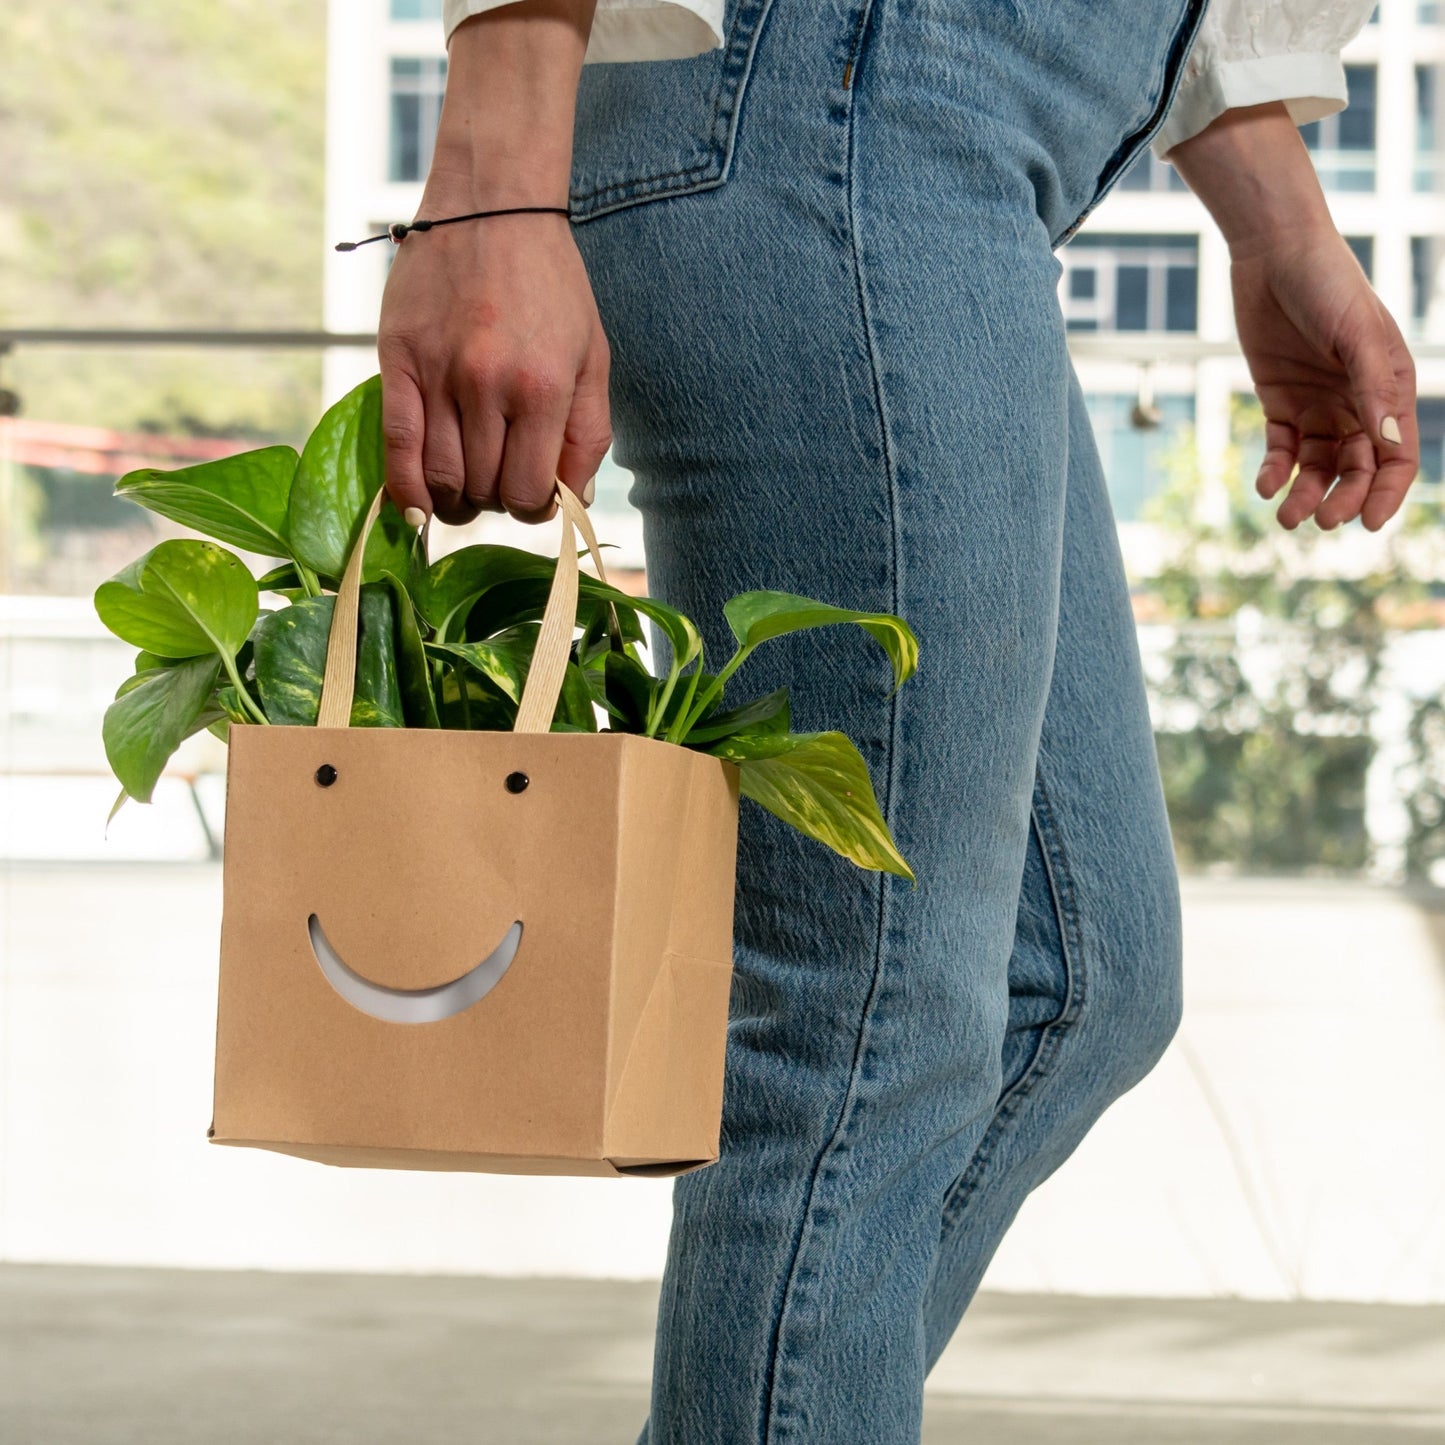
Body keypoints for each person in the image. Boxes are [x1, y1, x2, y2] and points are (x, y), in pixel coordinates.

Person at [376, 1, 1416, 1439]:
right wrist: (494, 181)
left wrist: (1279, 231)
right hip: (833, 113)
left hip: (949, 158)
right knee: (866, 1027)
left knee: (1077, 978)